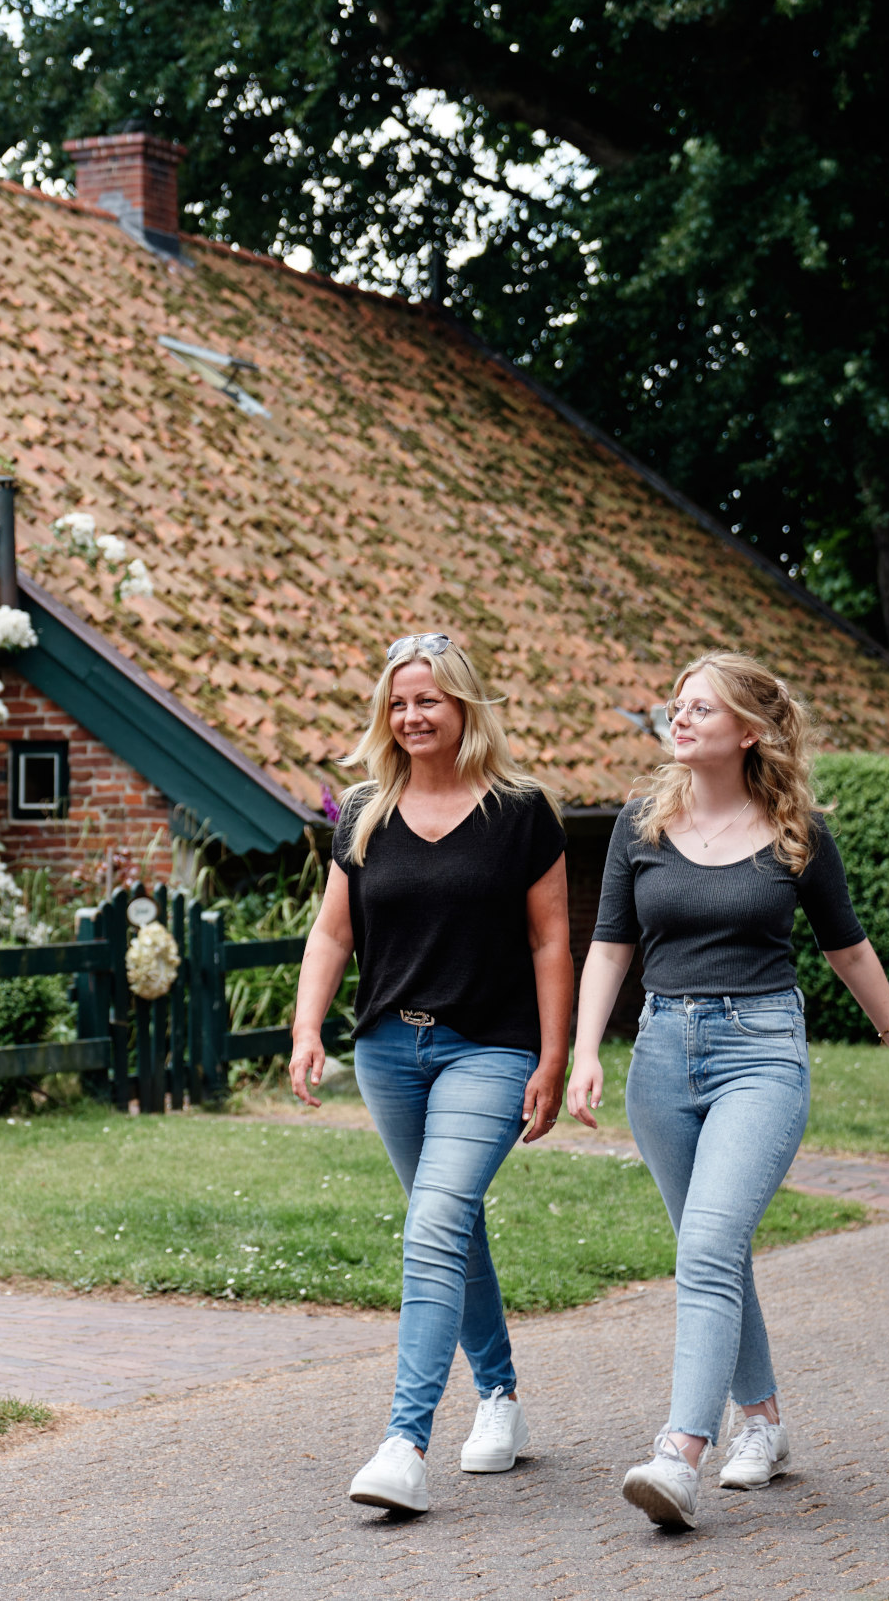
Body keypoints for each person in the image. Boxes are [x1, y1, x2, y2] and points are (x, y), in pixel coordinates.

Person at [566, 651, 889, 1531]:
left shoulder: (796, 831)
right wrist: (587, 1049)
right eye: (678, 704)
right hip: (660, 1054)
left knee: (705, 1247)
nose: (680, 717)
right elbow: (610, 947)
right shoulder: (638, 824)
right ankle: (762, 1421)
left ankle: (679, 1452)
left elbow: (848, 948)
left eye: (702, 707)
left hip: (762, 1053)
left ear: (750, 730)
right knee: (713, 1250)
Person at [289, 632, 574, 1516]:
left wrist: (556, 1056)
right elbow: (334, 931)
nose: (412, 716)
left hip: (489, 1048)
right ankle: (500, 1394)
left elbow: (550, 939)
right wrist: (307, 1025)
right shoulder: (368, 809)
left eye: (429, 701)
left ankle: (404, 1443)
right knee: (443, 1223)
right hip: (387, 1050)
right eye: (399, 702)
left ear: (463, 707)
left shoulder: (522, 812)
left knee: (435, 1221)